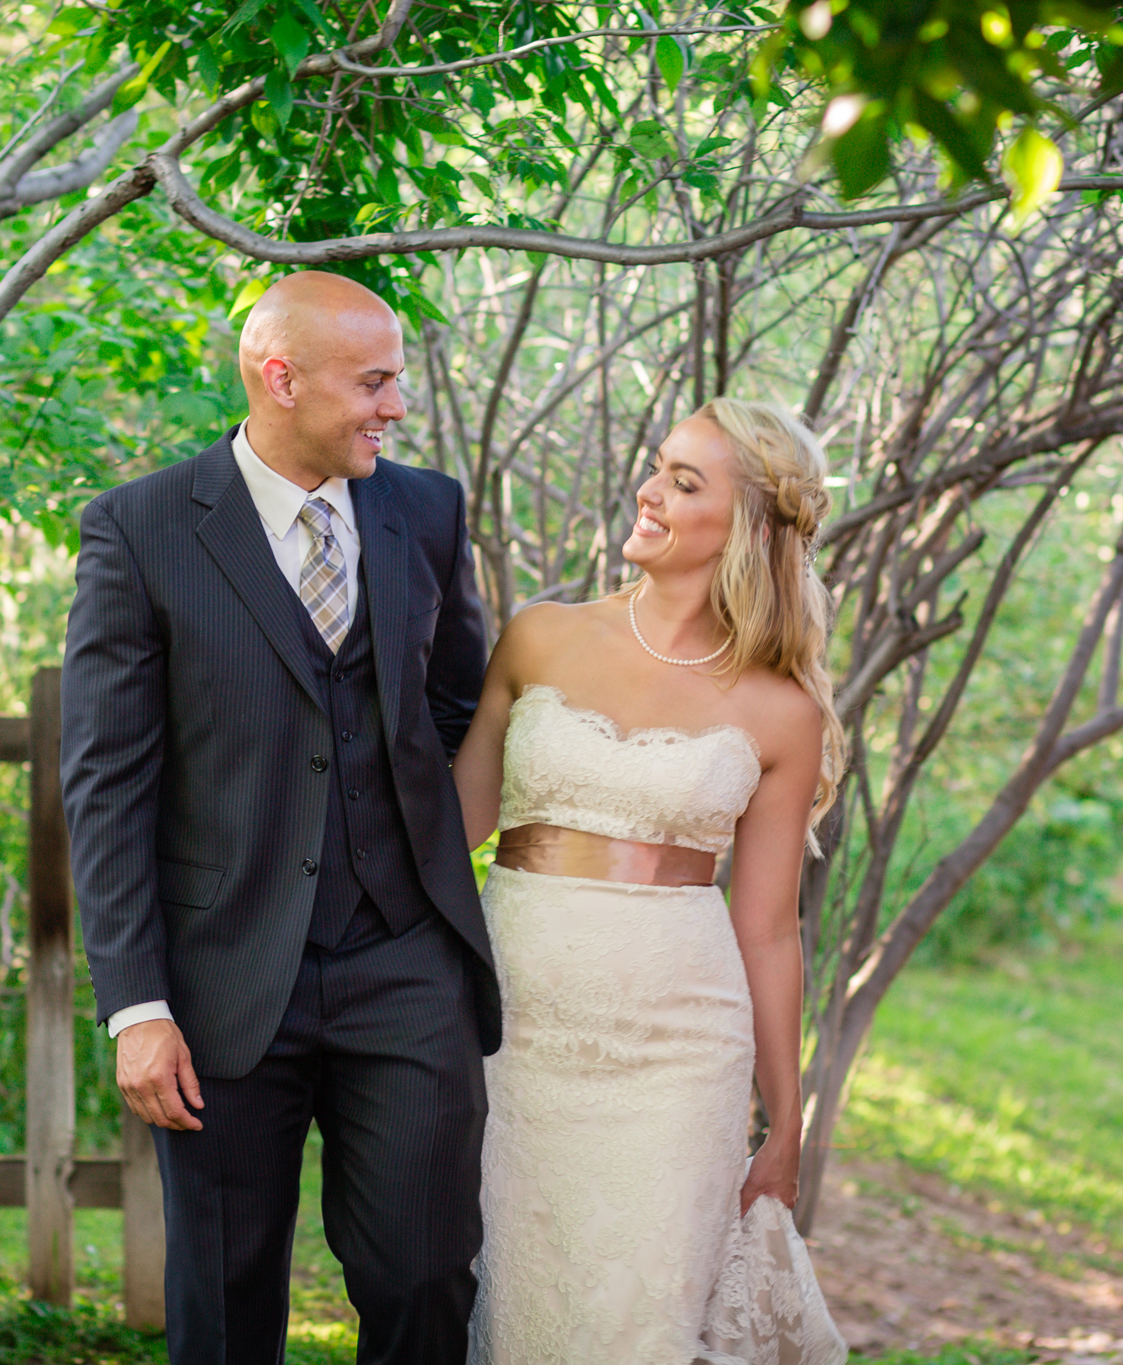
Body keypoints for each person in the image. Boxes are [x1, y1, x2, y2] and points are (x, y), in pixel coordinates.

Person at [59, 270, 500, 1364]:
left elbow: (456, 698)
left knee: (423, 1273)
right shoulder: (141, 528)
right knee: (222, 1302)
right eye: (373, 383)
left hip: (405, 961)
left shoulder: (427, 511)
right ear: (278, 377)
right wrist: (135, 1008)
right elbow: (107, 783)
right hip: (220, 980)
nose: (394, 407)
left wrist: (401, 833)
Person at [451, 398, 851, 1363]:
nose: (650, 490)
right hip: (515, 1033)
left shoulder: (781, 708)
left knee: (640, 1322)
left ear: (749, 525)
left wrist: (784, 1118)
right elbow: (445, 842)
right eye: (658, 466)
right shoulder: (540, 636)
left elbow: (767, 927)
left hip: (680, 1054)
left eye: (684, 480)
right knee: (519, 1305)